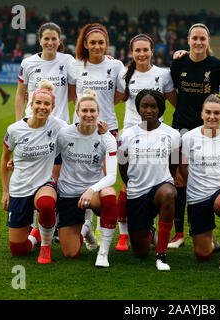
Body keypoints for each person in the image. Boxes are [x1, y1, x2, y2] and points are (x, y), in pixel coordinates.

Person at [169, 23, 220, 249]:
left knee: (207, 180)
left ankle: (209, 232)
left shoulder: (217, 66)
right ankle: (178, 234)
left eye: (202, 38)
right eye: (194, 38)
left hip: (209, 133)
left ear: (208, 42)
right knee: (178, 181)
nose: (198, 42)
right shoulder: (178, 63)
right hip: (181, 131)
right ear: (188, 40)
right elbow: (172, 92)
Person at [114, 33, 177, 251]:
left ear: (152, 51)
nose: (141, 54)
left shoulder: (163, 74)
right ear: (132, 53)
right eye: (137, 50)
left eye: (145, 50)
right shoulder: (124, 75)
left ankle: (152, 225)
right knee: (126, 185)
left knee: (161, 181)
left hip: (157, 136)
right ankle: (123, 235)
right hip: (131, 135)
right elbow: (114, 101)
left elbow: (174, 102)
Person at [14, 22, 75, 242]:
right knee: (32, 176)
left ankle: (55, 225)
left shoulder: (68, 61)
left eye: (54, 39)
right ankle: (32, 225)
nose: (50, 42)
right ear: (40, 40)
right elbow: (21, 94)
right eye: (46, 38)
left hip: (60, 132)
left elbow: (73, 91)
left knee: (58, 179)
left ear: (60, 41)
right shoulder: (28, 62)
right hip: (33, 130)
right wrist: (20, 123)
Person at [68, 23, 125, 250]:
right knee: (82, 173)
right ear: (85, 44)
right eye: (92, 42)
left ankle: (103, 230)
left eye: (101, 42)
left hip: (107, 127)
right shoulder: (75, 66)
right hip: (80, 129)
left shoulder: (116, 65)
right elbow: (73, 96)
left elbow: (121, 94)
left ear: (107, 44)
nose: (97, 46)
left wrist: (101, 110)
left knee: (104, 176)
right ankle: (87, 225)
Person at [0, 79, 67, 264]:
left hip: (44, 184)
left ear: (53, 107)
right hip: (20, 188)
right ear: (31, 104)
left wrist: (101, 131)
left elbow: (80, 133)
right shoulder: (15, 130)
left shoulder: (57, 126)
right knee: (18, 250)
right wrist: (5, 191)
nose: (42, 107)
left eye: (47, 104)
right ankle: (34, 237)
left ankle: (45, 247)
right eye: (38, 103)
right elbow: (5, 160)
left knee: (46, 204)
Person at [117, 89, 179, 271]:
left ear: (160, 108)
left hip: (160, 188)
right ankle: (150, 230)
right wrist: (130, 185)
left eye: (154, 106)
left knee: (168, 193)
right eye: (144, 106)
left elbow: (173, 164)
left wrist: (168, 182)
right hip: (137, 192)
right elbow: (123, 165)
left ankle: (161, 255)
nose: (149, 110)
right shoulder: (126, 135)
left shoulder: (173, 134)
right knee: (140, 253)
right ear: (138, 108)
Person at [56, 89, 118, 267]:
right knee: (70, 253)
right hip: (68, 193)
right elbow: (49, 157)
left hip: (94, 194)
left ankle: (103, 253)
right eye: (84, 111)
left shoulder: (107, 138)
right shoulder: (64, 134)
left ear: (98, 112)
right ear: (77, 112)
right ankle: (86, 229)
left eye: (92, 111)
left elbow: (112, 176)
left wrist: (91, 190)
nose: (88, 115)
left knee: (109, 194)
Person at [179, 94, 220, 271]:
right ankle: (211, 238)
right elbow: (183, 168)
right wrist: (195, 185)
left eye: (216, 113)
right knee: (203, 255)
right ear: (202, 114)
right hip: (197, 196)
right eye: (208, 112)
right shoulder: (188, 137)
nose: (212, 116)